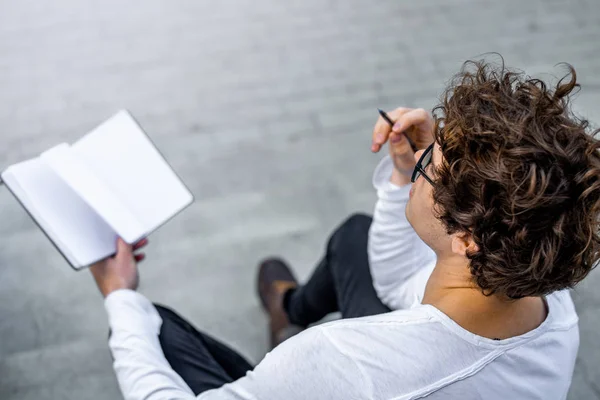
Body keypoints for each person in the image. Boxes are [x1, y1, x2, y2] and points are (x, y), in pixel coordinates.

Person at [91, 60, 600, 399]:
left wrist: (119, 296)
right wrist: (403, 174)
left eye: (429, 165)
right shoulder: (547, 297)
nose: (423, 154)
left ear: (467, 238)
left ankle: (278, 325)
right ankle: (288, 309)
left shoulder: (337, 361)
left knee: (151, 326)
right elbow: (397, 278)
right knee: (355, 237)